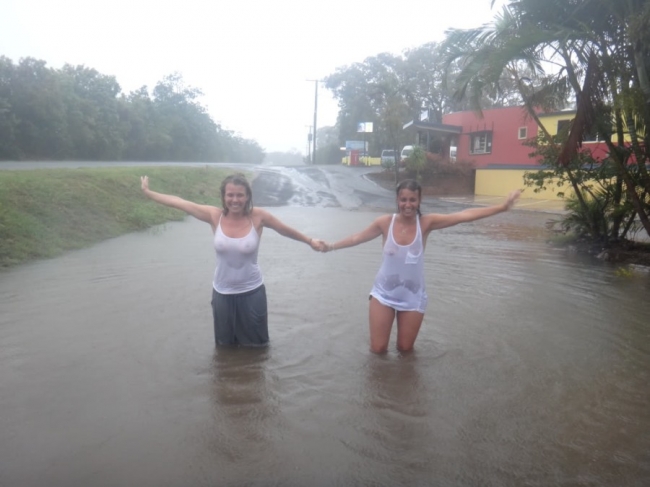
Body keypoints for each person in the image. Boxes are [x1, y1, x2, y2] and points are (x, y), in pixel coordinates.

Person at [322, 179, 521, 354]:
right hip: (383, 295)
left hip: (412, 297)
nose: (407, 205)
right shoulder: (384, 223)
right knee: (378, 350)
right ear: (397, 200)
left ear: (419, 201)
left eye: (412, 200)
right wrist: (330, 246)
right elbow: (357, 238)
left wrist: (502, 207)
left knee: (405, 350)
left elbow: (464, 215)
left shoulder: (426, 223)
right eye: (403, 200)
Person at [140, 173, 325, 347]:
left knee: (257, 347)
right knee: (224, 346)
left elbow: (284, 229)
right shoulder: (214, 215)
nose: (235, 200)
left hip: (252, 292)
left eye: (240, 195)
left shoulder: (259, 217)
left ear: (247, 197)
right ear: (223, 196)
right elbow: (179, 203)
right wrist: (149, 193)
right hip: (222, 293)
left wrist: (309, 241)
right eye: (230, 195)